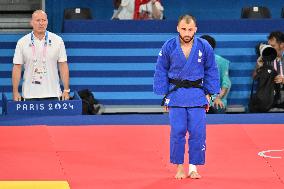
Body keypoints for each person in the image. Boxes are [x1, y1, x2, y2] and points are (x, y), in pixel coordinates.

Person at [153, 14, 220, 179]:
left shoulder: (204, 46)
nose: (187, 32)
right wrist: (164, 94)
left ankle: (193, 167)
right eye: (184, 29)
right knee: (178, 131)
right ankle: (179, 167)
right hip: (176, 94)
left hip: (197, 94)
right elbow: (161, 69)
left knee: (198, 132)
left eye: (190, 29)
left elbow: (211, 69)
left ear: (195, 29)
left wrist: (210, 94)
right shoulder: (169, 46)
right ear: (178, 28)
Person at [12, 10, 70, 101]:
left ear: (47, 22)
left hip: (53, 93)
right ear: (31, 22)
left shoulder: (58, 40)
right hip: (29, 95)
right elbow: (17, 67)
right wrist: (15, 92)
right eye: (38, 20)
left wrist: (66, 90)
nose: (41, 23)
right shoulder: (22, 42)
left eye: (43, 20)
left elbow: (63, 65)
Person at [252, 31, 284, 110]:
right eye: (269, 46)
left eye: (273, 46)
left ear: (282, 45)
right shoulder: (266, 57)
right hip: (269, 94)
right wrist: (258, 66)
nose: (270, 49)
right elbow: (255, 77)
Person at [200, 35, 231, 113]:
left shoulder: (222, 62)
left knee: (218, 107)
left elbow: (226, 84)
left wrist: (217, 98)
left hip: (215, 99)